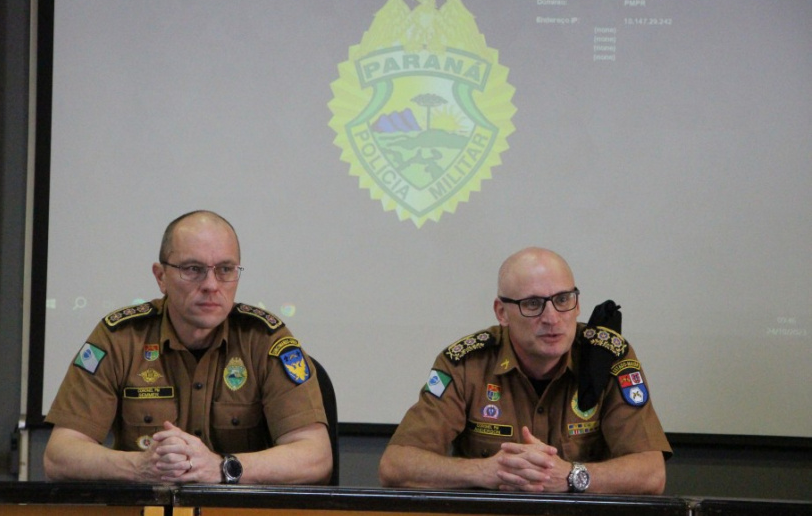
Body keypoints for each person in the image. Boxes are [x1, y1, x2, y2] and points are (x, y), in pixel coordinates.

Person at [44, 210, 332, 484]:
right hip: (146, 508)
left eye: (225, 269)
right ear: (161, 277)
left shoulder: (264, 339)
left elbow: (316, 457)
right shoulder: (120, 337)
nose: (211, 285)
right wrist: (141, 466)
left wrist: (221, 468)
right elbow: (59, 455)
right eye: (193, 269)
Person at [378, 247, 671, 494]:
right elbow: (396, 465)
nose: (552, 318)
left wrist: (570, 476)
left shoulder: (608, 357)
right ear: (501, 312)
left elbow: (651, 474)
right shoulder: (466, 364)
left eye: (562, 300)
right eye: (532, 304)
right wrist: (487, 471)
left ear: (578, 304)